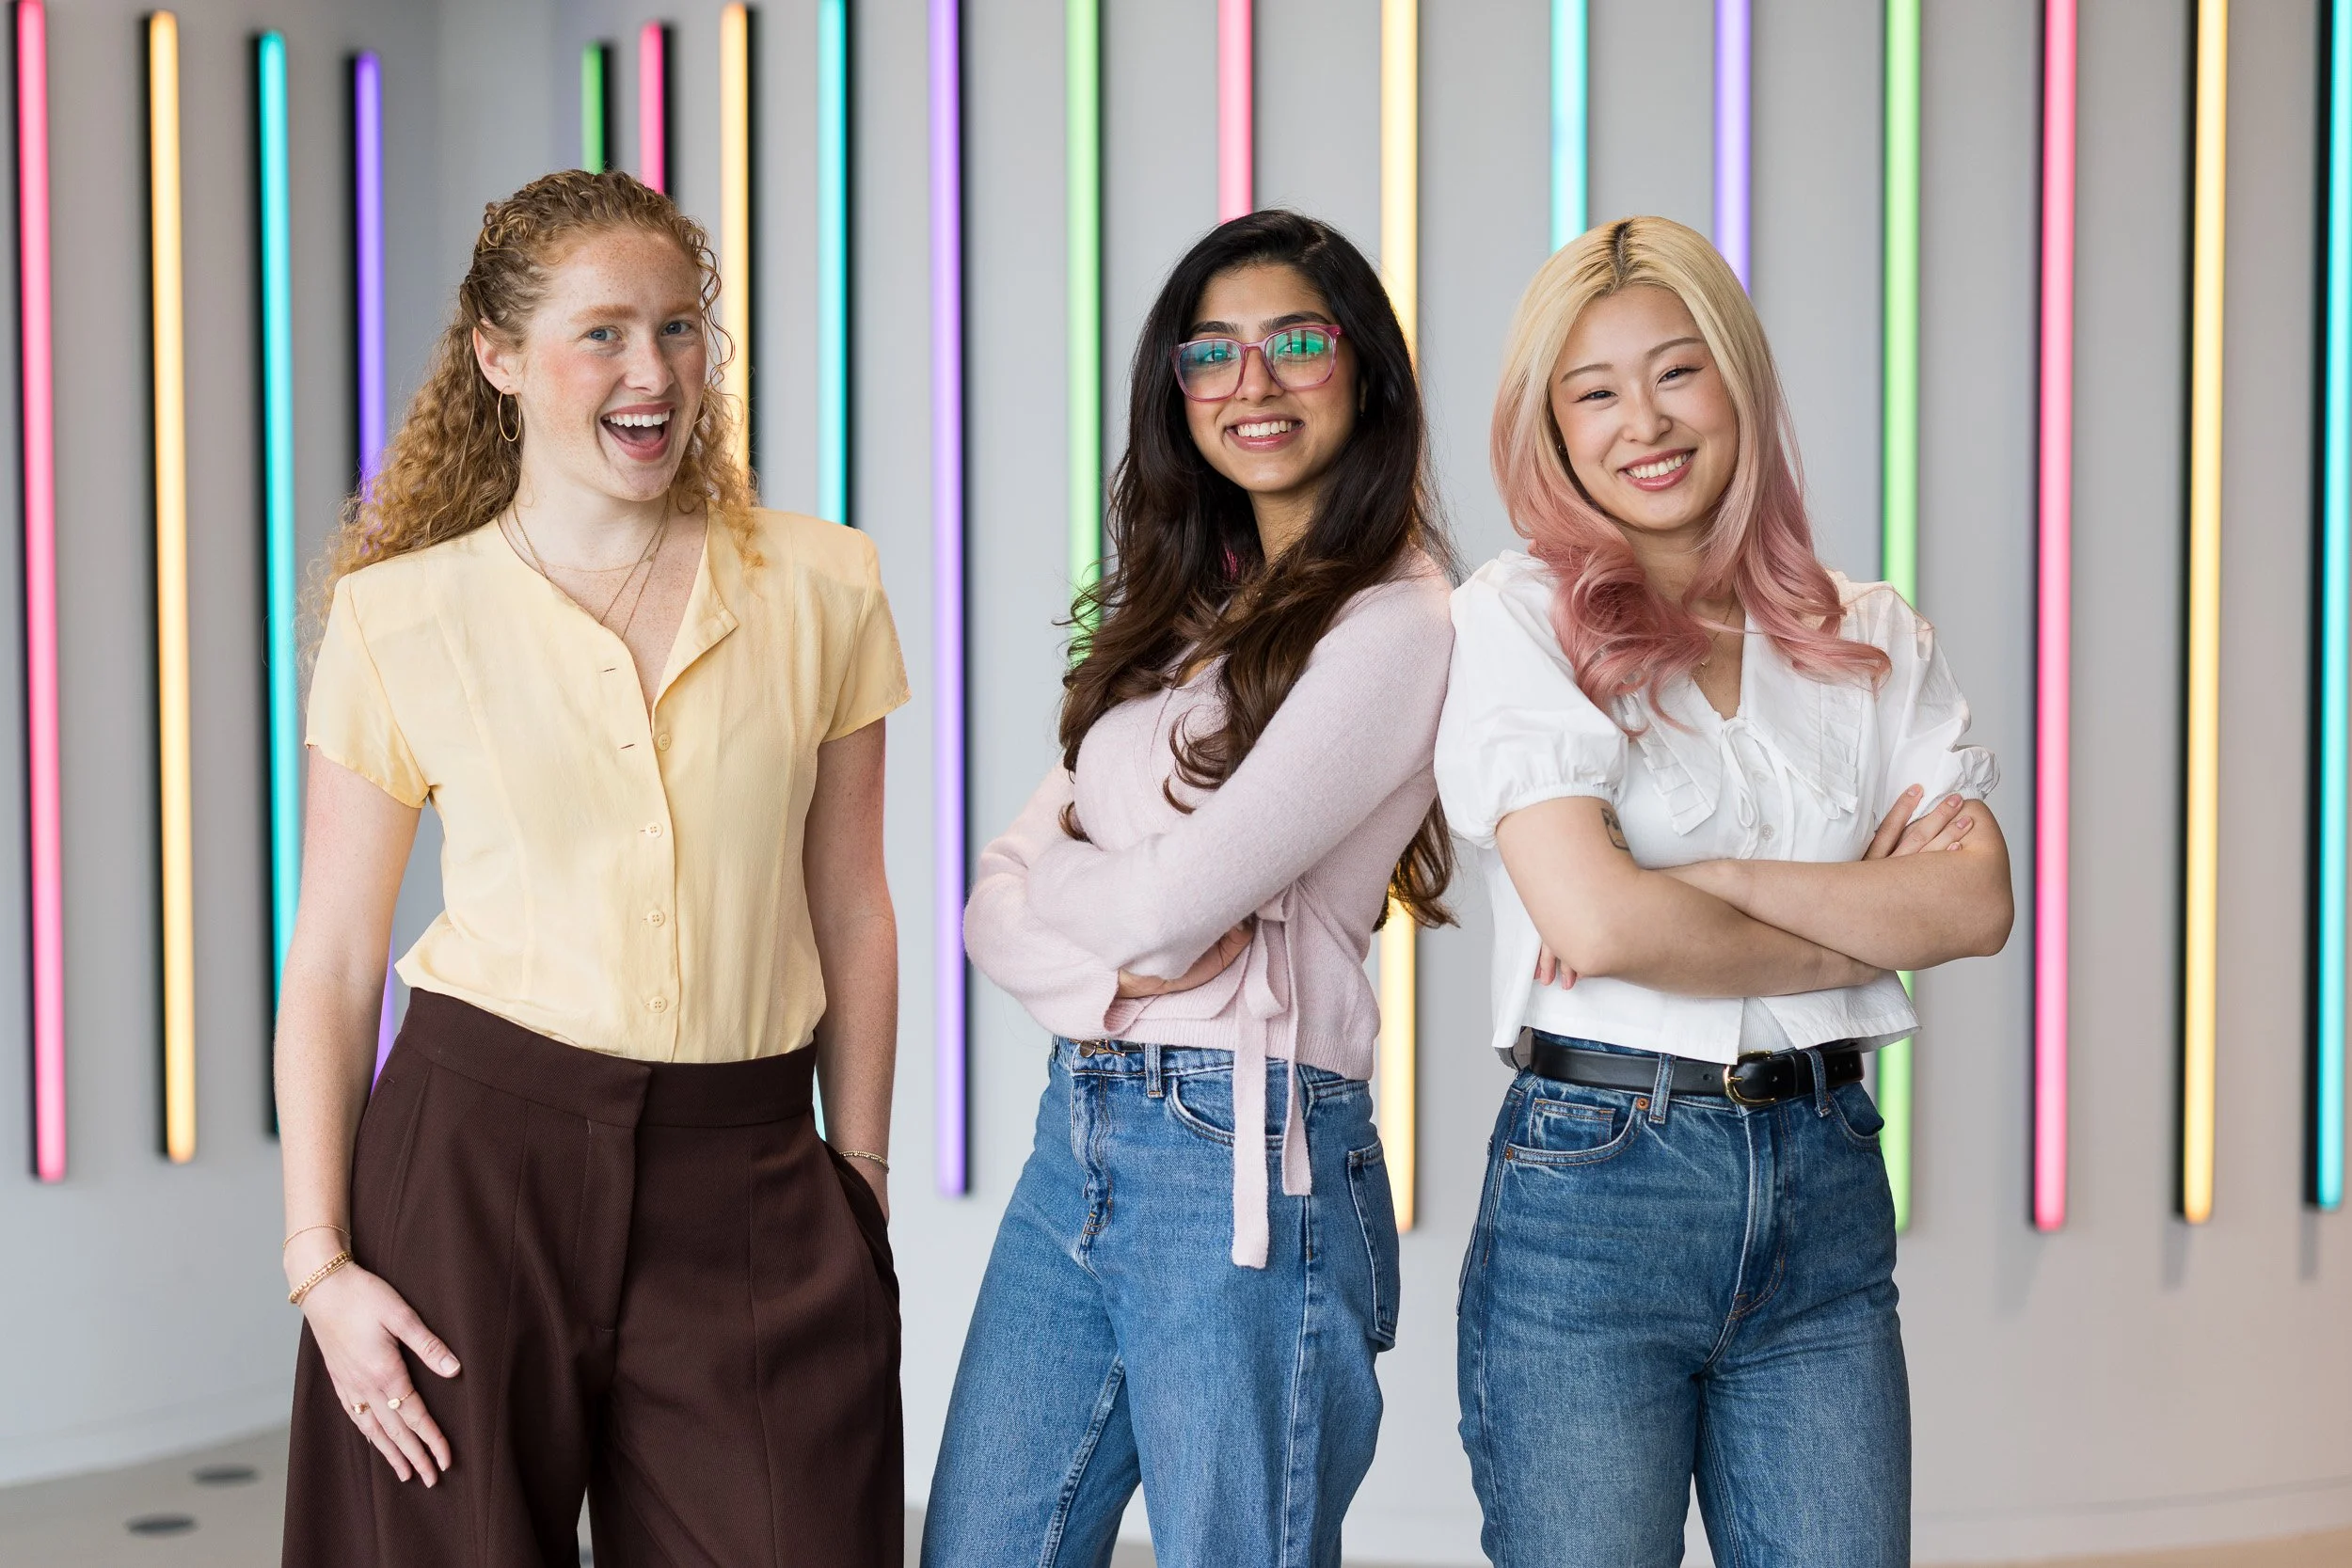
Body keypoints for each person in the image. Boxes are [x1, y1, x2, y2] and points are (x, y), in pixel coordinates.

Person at [275, 170, 907, 1567]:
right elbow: (331, 955)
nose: (654, 371)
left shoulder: (826, 585)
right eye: (604, 332)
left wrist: (854, 1181)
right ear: (498, 357)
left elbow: (853, 907)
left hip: (748, 1165)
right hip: (470, 1163)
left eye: (681, 328)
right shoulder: (402, 617)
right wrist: (320, 1263)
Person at [1437, 215, 2013, 1568]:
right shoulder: (1516, 617)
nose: (1645, 419)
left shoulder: (1871, 632)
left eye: (1678, 371)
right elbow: (1598, 922)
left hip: (1823, 1187)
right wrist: (1857, 915)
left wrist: (1722, 882)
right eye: (1595, 391)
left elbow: (1975, 905)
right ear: (1556, 431)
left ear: (1740, 382)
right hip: (1596, 1190)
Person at [923, 211, 1454, 1568]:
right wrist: (1105, 959)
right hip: (1083, 1127)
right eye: (1210, 352)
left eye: (1294, 341)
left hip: (1250, 1158)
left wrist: (1088, 890)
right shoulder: (1178, 616)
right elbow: (992, 897)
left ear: (1367, 371)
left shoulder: (1397, 619)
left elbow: (1166, 900)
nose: (1250, 382)